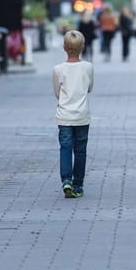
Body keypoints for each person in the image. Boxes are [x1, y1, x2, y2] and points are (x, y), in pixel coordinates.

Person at [53, 30, 94, 199]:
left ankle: (66, 180)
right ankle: (78, 185)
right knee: (81, 150)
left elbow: (57, 92)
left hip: (64, 116)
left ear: (64, 47)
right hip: (82, 115)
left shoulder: (58, 69)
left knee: (65, 147)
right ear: (83, 47)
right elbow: (90, 88)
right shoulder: (88, 67)